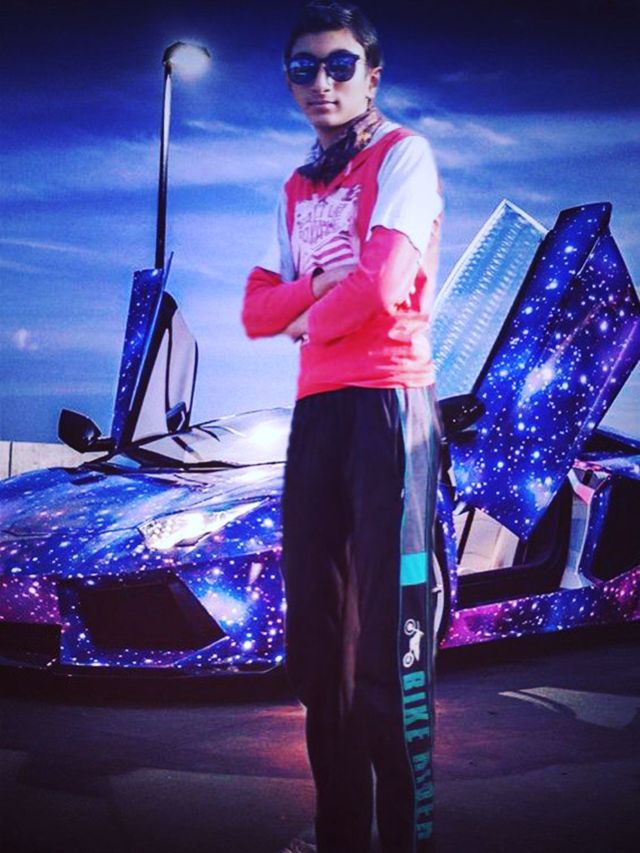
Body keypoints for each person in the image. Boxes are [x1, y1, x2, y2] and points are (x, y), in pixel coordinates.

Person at [242, 3, 443, 851]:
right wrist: (318, 293)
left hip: (388, 405)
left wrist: (305, 312)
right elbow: (255, 310)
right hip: (317, 413)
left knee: (389, 650)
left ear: (372, 74)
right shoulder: (296, 187)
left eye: (339, 65)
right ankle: (340, 836)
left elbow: (385, 283)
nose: (320, 82)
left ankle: (407, 836)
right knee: (320, 649)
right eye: (303, 67)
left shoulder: (405, 155)